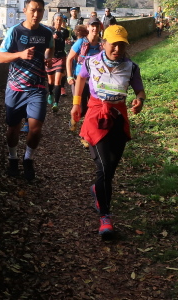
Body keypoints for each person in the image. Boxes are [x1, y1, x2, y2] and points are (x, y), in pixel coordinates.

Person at [71, 25, 145, 237]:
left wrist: (139, 101)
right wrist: (76, 103)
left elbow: (140, 91)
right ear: (103, 44)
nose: (117, 49)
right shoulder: (91, 62)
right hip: (96, 116)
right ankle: (105, 216)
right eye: (114, 44)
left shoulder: (131, 67)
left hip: (118, 118)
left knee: (110, 168)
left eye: (122, 45)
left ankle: (98, 189)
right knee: (103, 168)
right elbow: (81, 78)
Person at [0, 0, 54, 181]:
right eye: (33, 10)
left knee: (35, 128)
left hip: (37, 88)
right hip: (16, 88)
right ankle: (13, 158)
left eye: (40, 11)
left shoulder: (47, 33)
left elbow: (50, 47)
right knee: (13, 128)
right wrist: (20, 54)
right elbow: (0, 57)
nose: (36, 14)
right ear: (25, 11)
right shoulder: (14, 31)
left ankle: (28, 159)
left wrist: (48, 57)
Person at [66, 17, 104, 121]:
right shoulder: (81, 42)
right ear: (88, 27)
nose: (95, 28)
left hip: (95, 80)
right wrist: (69, 76)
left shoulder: (102, 44)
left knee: (94, 106)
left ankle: (88, 126)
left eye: (97, 26)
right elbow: (69, 59)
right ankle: (74, 121)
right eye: (93, 26)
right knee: (80, 107)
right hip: (79, 79)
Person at [45, 13, 70, 111]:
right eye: (57, 20)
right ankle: (51, 93)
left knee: (58, 81)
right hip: (51, 57)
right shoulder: (49, 30)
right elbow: (45, 42)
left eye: (60, 20)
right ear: (54, 20)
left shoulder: (65, 31)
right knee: (51, 81)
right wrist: (52, 38)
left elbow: (66, 39)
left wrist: (67, 41)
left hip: (61, 56)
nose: (59, 22)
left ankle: (56, 103)